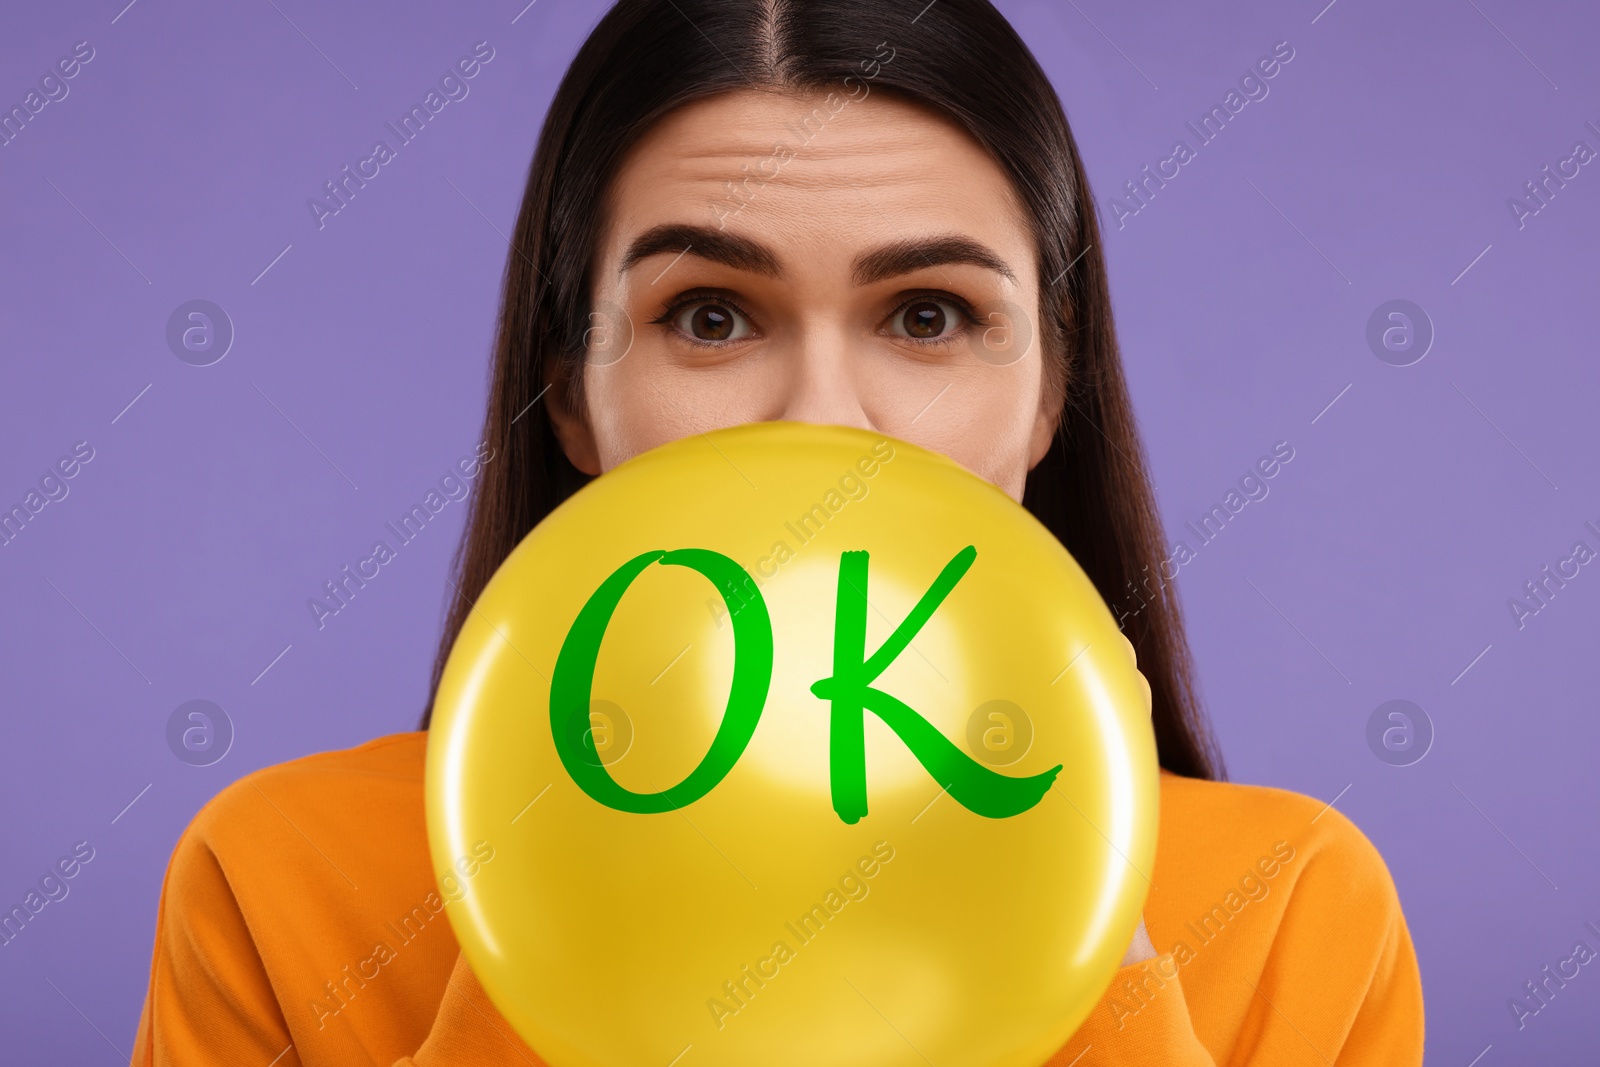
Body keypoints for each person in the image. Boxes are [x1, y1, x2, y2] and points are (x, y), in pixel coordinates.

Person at [130, 0, 1424, 1063]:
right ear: (572, 395)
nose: (822, 424)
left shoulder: (1295, 911)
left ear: (1050, 395)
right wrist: (557, 931)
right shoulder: (275, 888)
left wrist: (1108, 976)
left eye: (926, 316)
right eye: (710, 315)